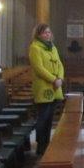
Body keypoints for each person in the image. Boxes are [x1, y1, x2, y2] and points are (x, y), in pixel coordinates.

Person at [28, 24, 64, 155]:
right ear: (38, 34)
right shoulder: (35, 48)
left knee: (49, 119)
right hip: (44, 87)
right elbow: (39, 68)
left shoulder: (53, 47)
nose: (47, 35)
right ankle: (40, 145)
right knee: (43, 118)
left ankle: (47, 144)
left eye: (49, 32)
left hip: (55, 87)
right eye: (44, 33)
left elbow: (59, 64)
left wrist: (60, 78)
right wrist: (54, 79)